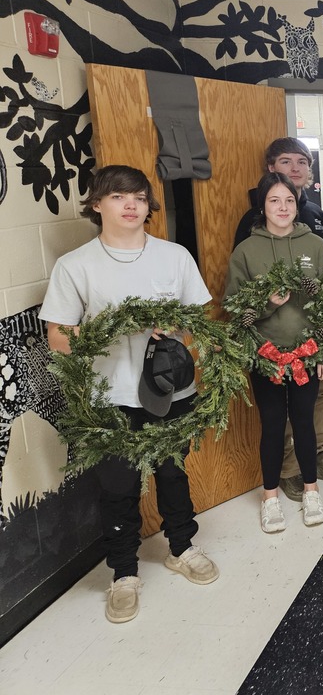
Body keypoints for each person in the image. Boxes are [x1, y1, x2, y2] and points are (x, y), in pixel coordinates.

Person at [40, 165, 219, 624]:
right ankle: (123, 573)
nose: (131, 205)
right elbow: (59, 338)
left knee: (173, 473)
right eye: (119, 197)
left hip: (170, 389)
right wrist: (111, 329)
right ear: (97, 204)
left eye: (139, 197)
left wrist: (170, 327)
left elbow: (194, 321)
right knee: (117, 485)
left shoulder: (174, 256)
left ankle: (182, 546)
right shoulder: (75, 265)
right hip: (109, 396)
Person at [233, 138, 323, 502]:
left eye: (302, 162)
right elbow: (242, 292)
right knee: (278, 414)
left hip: (312, 343)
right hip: (270, 348)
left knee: (316, 401)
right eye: (287, 162)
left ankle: (319, 459)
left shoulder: (315, 215)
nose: (296, 168)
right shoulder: (251, 226)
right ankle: (288, 470)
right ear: (271, 169)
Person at [225, 172, 323, 532]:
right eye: (274, 201)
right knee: (272, 425)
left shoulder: (315, 245)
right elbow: (235, 309)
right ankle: (270, 498)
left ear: (297, 204)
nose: (282, 207)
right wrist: (267, 305)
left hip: (307, 354)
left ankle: (311, 490)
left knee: (305, 422)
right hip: (265, 356)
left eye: (288, 200)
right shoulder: (246, 251)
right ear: (263, 206)